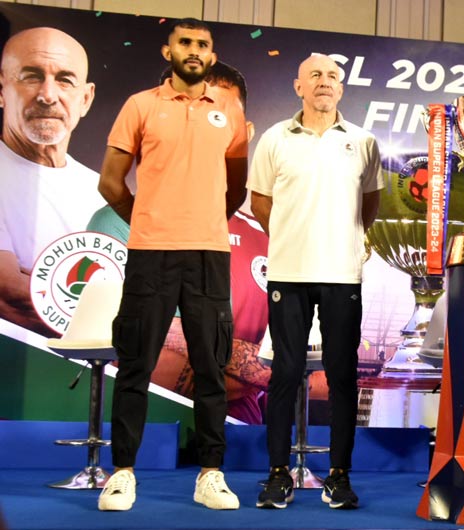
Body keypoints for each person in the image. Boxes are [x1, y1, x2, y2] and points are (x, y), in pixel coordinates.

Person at [95, 18, 248, 511]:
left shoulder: (229, 107)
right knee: (136, 363)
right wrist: (146, 219)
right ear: (168, 49)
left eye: (203, 44)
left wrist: (203, 221)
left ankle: (211, 474)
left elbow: (236, 187)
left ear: (210, 54)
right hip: (150, 253)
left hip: (208, 255)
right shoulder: (141, 105)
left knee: (210, 366)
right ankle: (121, 473)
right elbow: (111, 183)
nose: (195, 51)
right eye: (186, 42)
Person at [88, 61, 270, 425]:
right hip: (153, 436)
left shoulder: (264, 238)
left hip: (243, 442)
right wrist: (276, 370)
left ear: (243, 133)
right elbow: (154, 359)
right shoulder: (114, 224)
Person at [249, 53, 382, 510]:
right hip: (288, 273)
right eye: (315, 76)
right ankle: (277, 475)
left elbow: (371, 203)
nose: (324, 83)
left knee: (343, 377)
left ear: (341, 90)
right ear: (298, 87)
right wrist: (293, 239)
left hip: (343, 275)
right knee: (285, 374)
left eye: (332, 77)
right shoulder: (274, 139)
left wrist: (345, 242)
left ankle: (339, 477)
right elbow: (261, 202)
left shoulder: (364, 142)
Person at [0, 27, 104, 335]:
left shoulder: (105, 195)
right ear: (2, 90)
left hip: (95, 379)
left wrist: (44, 289)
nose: (47, 95)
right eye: (31, 76)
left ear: (85, 99)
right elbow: (10, 296)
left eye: (65, 80)